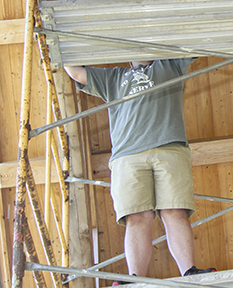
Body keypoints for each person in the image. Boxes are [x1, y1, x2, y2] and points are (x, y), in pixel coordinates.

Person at [64, 60, 215, 282]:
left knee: (175, 211)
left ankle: (189, 271)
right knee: (136, 217)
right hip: (128, 155)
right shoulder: (113, 77)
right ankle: (135, 277)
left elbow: (193, 42)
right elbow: (75, 71)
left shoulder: (170, 64)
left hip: (170, 148)